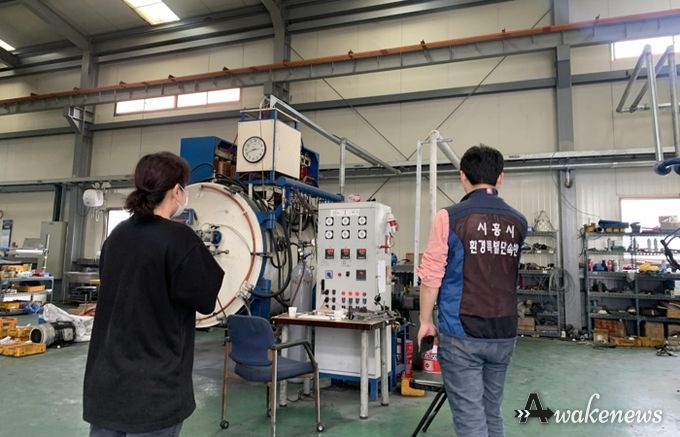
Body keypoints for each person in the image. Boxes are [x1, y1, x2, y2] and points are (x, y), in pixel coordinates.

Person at [83, 152, 225, 437]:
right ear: (177, 191)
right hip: (154, 389)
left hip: (106, 384)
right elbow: (205, 299)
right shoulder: (179, 239)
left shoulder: (117, 236)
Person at [417, 144, 527, 437]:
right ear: (500, 178)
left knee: (470, 419)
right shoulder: (519, 222)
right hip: (504, 331)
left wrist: (425, 321)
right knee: (492, 411)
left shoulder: (449, 217)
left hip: (461, 332)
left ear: (462, 176)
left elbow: (431, 276)